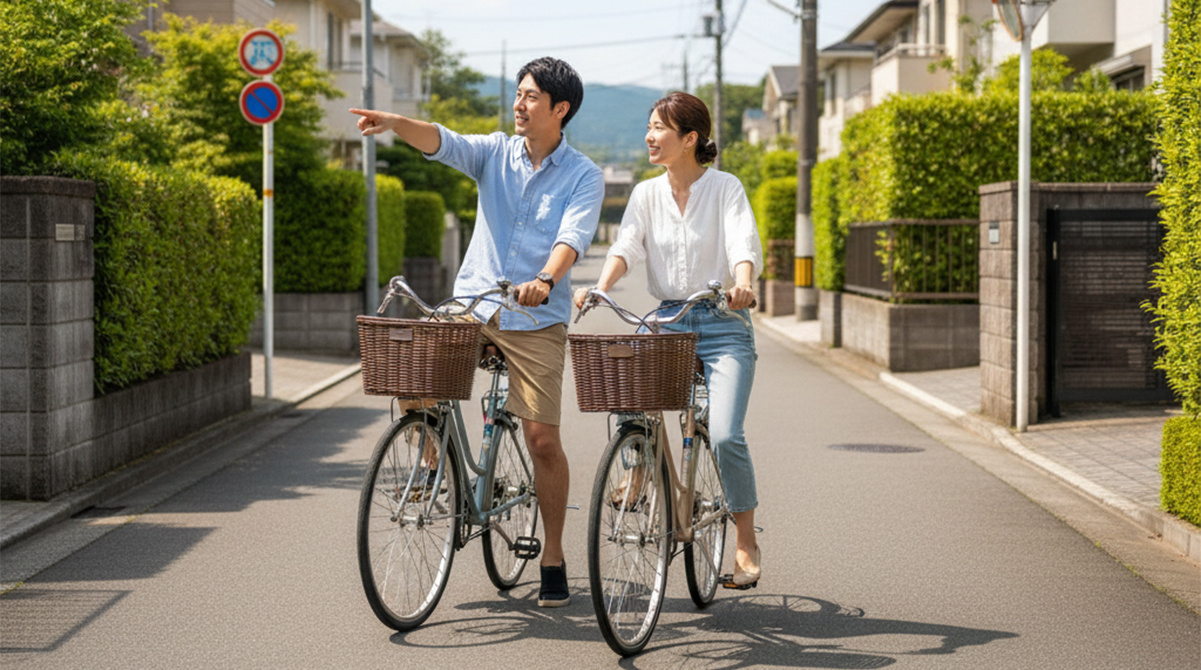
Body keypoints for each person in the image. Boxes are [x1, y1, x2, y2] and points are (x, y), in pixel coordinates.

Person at [352, 57, 604, 608]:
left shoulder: (584, 175)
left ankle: (554, 554)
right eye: (518, 93)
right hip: (474, 304)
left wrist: (546, 279)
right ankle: (429, 459)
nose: (519, 103)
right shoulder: (493, 151)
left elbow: (574, 236)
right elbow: (442, 140)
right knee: (412, 365)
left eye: (531, 96)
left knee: (542, 439)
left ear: (560, 109)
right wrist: (396, 122)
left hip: (536, 316)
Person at [573, 92, 763, 587]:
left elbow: (741, 241)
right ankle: (636, 463)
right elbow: (627, 245)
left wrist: (743, 283)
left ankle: (745, 541)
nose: (649, 136)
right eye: (649, 126)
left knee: (724, 434)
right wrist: (600, 286)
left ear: (690, 139)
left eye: (659, 128)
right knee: (625, 379)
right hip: (669, 318)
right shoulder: (645, 194)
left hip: (723, 322)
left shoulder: (725, 188)